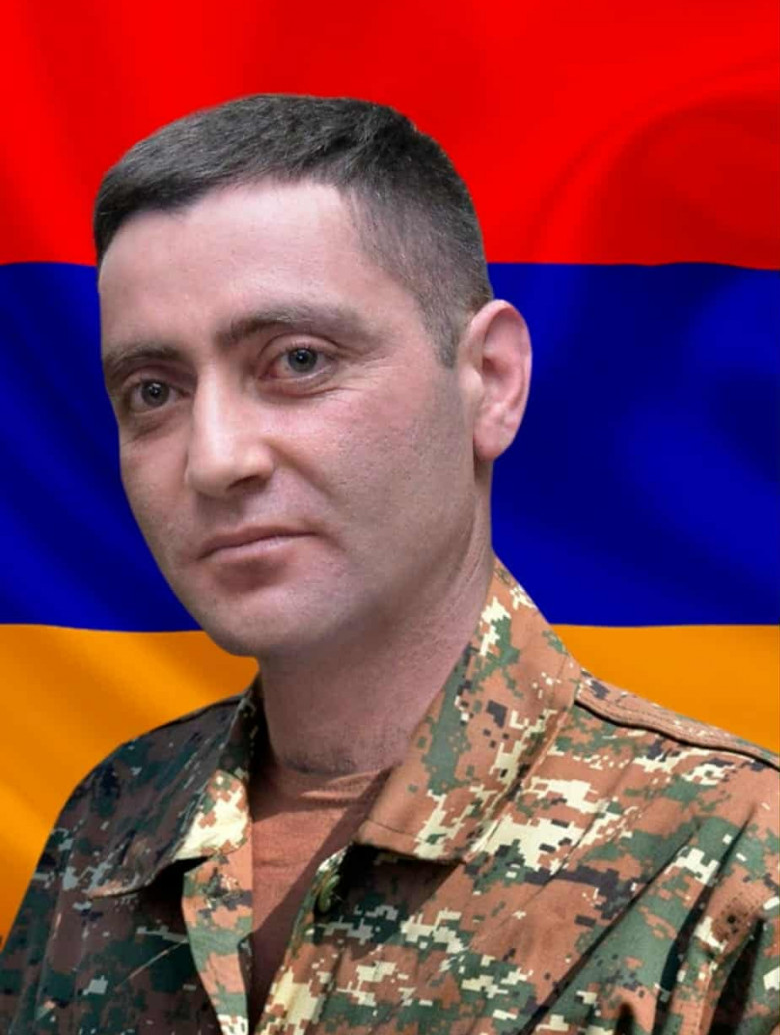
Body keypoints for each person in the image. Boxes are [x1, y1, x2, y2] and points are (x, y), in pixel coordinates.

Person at [0, 94, 777, 1035]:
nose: (215, 458)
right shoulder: (109, 825)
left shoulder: (736, 865)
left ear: (491, 381)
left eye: (298, 361)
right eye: (153, 391)